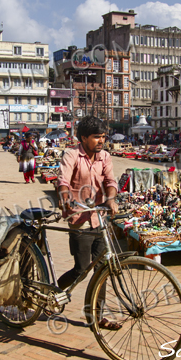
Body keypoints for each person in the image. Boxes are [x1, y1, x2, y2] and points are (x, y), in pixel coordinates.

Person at [57, 116, 119, 330]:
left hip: (99, 218)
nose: (101, 141)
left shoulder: (105, 157)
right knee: (81, 269)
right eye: (96, 137)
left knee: (102, 270)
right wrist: (64, 196)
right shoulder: (72, 155)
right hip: (79, 218)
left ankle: (96, 316)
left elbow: (111, 181)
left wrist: (110, 199)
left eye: (103, 136)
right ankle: (55, 290)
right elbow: (63, 181)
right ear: (83, 138)